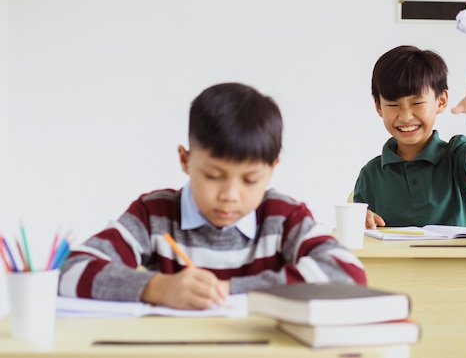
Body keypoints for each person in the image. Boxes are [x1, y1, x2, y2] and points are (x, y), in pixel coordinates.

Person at [59, 82, 367, 310]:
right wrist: (157, 287)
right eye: (213, 176)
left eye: (250, 180)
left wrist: (229, 288)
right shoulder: (155, 215)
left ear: (272, 170)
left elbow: (348, 273)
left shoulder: (282, 216)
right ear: (185, 160)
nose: (230, 195)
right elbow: (71, 270)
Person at [353, 45, 466, 229]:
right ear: (379, 107)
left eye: (417, 103)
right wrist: (361, 220)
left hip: (458, 258)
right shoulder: (371, 174)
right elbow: (360, 227)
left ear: (440, 101)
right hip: (396, 258)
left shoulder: (456, 155)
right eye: (393, 105)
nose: (405, 116)